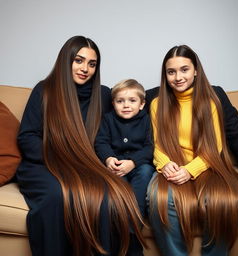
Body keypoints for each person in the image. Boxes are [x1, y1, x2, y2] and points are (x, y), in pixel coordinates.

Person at [16, 36, 146, 256]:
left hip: (85, 167)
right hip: (46, 164)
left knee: (108, 195)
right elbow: (27, 137)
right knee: (57, 196)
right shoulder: (45, 90)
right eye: (79, 60)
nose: (85, 68)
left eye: (92, 64)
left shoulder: (103, 94)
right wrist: (62, 157)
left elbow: (133, 104)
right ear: (66, 61)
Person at [146, 45, 238, 256]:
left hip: (208, 164)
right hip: (172, 166)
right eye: (171, 72)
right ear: (165, 75)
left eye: (184, 69)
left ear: (196, 70)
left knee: (221, 200)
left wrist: (190, 170)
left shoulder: (212, 98)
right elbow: (156, 143)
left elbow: (222, 141)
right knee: (157, 197)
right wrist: (165, 164)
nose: (178, 77)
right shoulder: (155, 101)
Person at [95, 79, 154, 218]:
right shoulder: (108, 119)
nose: (126, 105)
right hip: (117, 163)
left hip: (139, 164)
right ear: (113, 104)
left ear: (142, 104)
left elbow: (150, 147)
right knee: (117, 184)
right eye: (120, 101)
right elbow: (101, 142)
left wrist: (133, 162)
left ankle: (135, 217)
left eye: (132, 100)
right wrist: (109, 158)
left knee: (145, 173)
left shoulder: (146, 120)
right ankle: (121, 217)